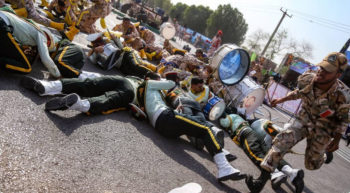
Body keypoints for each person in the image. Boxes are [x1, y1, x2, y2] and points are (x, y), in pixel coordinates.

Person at [136, 73, 245, 182]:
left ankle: (218, 150)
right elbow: (171, 84)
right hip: (165, 117)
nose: (159, 82)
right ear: (150, 78)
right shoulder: (149, 83)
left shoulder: (143, 94)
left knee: (196, 127)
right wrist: (173, 78)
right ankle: (224, 167)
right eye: (158, 80)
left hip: (160, 126)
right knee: (204, 129)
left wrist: (175, 110)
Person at [261, 52, 350, 174]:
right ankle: (263, 175)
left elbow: (343, 118)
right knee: (283, 141)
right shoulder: (308, 79)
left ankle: (322, 156)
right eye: (322, 67)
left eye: (328, 70)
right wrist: (281, 100)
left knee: (311, 165)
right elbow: (299, 93)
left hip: (323, 129)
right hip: (304, 119)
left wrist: (336, 140)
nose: (321, 71)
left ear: (338, 75)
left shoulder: (342, 95)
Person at [219, 114, 305, 193]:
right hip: (267, 138)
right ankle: (291, 172)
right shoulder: (254, 122)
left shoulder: (249, 122)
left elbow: (269, 128)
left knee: (256, 154)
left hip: (266, 137)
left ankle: (275, 173)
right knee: (272, 154)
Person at [20, 71, 156, 115]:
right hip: (130, 94)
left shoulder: (138, 78)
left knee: (88, 84)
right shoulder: (156, 94)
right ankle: (79, 104)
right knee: (107, 100)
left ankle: (46, 86)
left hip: (122, 80)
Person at [0, 7, 82, 78]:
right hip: (2, 23)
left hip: (3, 18)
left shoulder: (34, 27)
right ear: (49, 41)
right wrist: (57, 75)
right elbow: (45, 59)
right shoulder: (43, 36)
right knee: (26, 67)